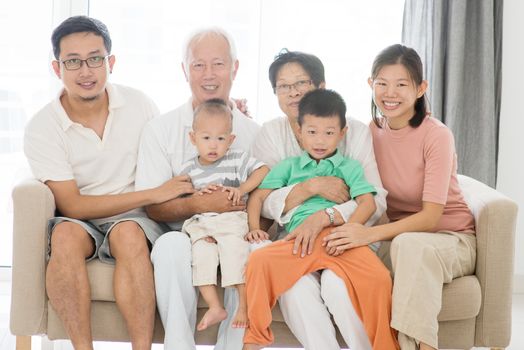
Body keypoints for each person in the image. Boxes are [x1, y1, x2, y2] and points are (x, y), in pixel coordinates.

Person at [23, 16, 191, 350]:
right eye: (73, 61)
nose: (86, 71)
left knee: (128, 234)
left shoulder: (139, 104)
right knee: (64, 235)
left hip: (134, 219)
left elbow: (173, 144)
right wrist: (154, 193)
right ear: (57, 68)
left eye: (95, 58)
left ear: (110, 62)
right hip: (80, 218)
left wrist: (220, 112)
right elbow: (71, 205)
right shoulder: (42, 126)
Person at [323, 44, 476, 350]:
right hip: (397, 239)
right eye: (382, 83)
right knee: (344, 261)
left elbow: (432, 216)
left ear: (421, 88)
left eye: (401, 84)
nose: (389, 93)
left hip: (450, 238)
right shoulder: (370, 132)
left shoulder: (437, 135)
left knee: (409, 246)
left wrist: (367, 234)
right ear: (370, 84)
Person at [249, 50, 387, 350]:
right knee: (295, 288)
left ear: (321, 86)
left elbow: (376, 200)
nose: (294, 91)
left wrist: (326, 217)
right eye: (284, 86)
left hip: (345, 235)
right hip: (297, 239)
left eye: (302, 82)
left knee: (338, 287)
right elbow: (265, 201)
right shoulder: (270, 133)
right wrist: (310, 187)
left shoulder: (355, 132)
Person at [135, 27, 260, 350]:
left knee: (245, 248)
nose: (208, 75)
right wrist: (201, 205)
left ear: (234, 68)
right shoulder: (161, 130)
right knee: (169, 247)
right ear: (183, 70)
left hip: (234, 229)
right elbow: (154, 205)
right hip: (183, 232)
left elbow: (265, 191)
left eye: (218, 64)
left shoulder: (252, 133)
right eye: (197, 65)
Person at [180, 99, 269, 331]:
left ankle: (243, 305)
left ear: (230, 140)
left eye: (221, 139)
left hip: (230, 221)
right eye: (206, 138)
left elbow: (263, 170)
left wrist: (242, 189)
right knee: (200, 256)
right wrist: (200, 195)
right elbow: (184, 199)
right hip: (203, 223)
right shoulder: (189, 168)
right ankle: (214, 306)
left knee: (234, 253)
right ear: (193, 138)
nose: (213, 145)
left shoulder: (236, 159)